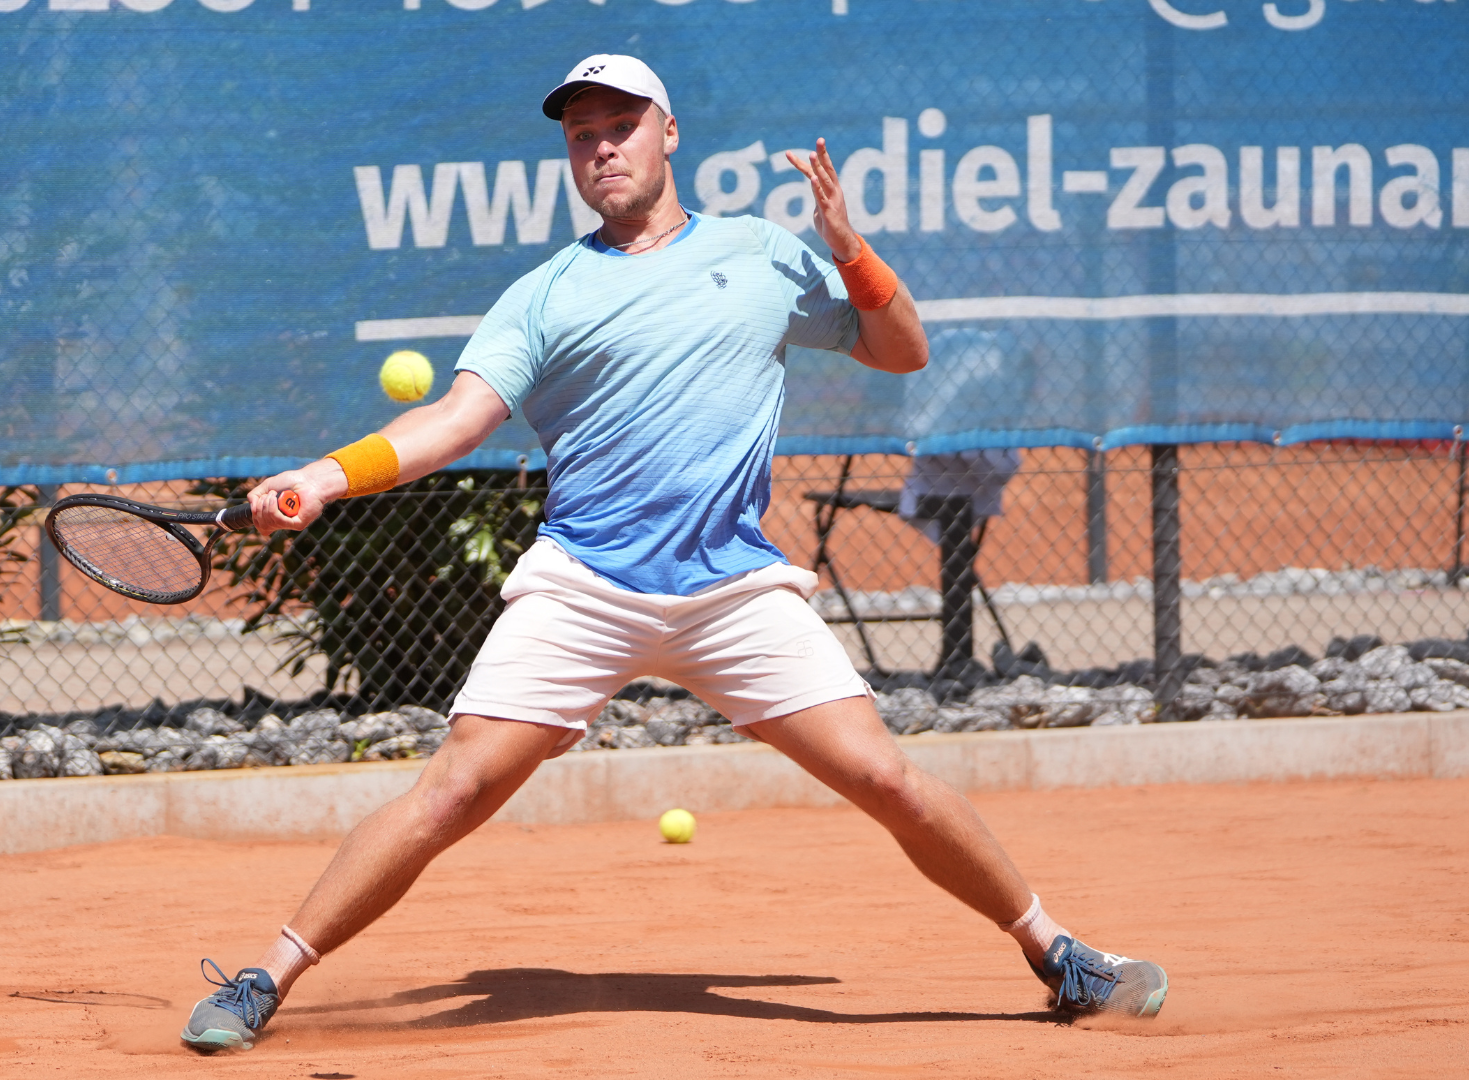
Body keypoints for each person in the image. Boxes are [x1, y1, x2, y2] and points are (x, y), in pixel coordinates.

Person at [180, 54, 1167, 1053]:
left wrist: (848, 248)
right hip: (586, 587)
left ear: (669, 132)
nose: (602, 147)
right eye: (583, 134)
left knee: (889, 780)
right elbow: (454, 421)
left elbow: (901, 350)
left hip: (732, 588)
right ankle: (264, 979)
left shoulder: (762, 253)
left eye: (622, 125)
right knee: (454, 791)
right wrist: (325, 477)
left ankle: (1061, 956)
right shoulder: (544, 295)